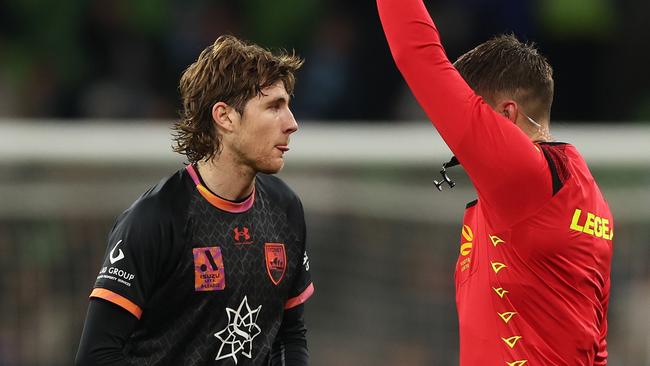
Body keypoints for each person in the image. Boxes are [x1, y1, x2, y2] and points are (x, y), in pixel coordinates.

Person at [377, 1, 613, 365]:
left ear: (507, 114)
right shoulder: (590, 198)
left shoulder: (524, 176)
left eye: (474, 114)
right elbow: (595, 346)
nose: (458, 143)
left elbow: (416, 54)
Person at [75, 35, 314, 366]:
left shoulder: (285, 210)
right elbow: (97, 357)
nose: (292, 123)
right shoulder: (156, 219)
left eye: (288, 105)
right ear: (225, 117)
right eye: (274, 106)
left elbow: (289, 334)